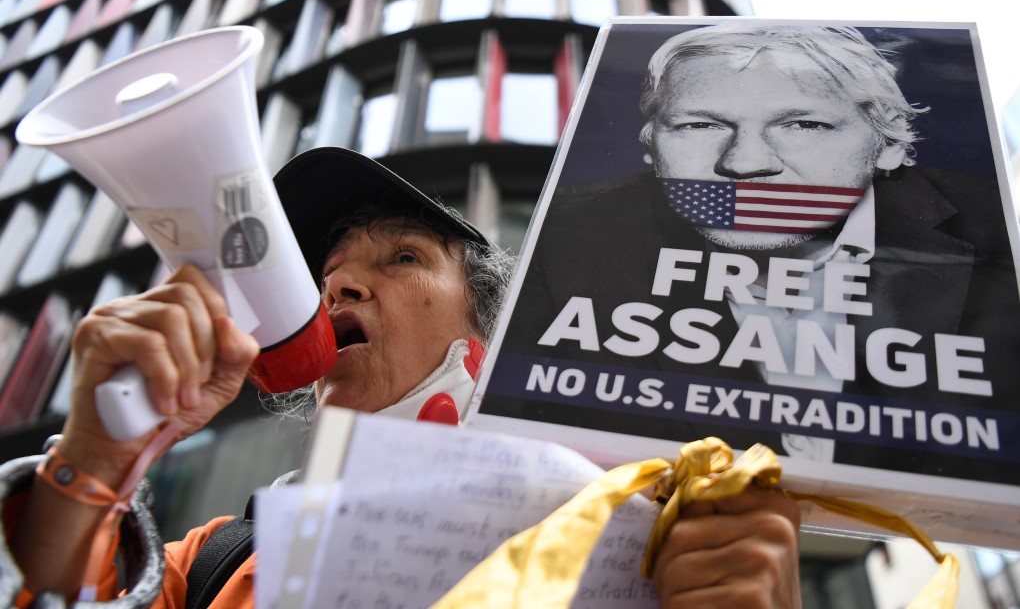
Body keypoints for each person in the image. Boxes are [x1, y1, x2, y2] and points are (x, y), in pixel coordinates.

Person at [1, 145, 802, 607]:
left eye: (403, 258)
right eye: (327, 274)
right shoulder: (217, 559)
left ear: (481, 328)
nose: (336, 287)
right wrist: (97, 461)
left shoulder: (648, 519)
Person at [501, 24, 1020, 482]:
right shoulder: (567, 234)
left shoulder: (997, 233)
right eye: (700, 125)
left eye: (803, 124)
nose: (745, 164)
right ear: (650, 146)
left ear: (886, 144)